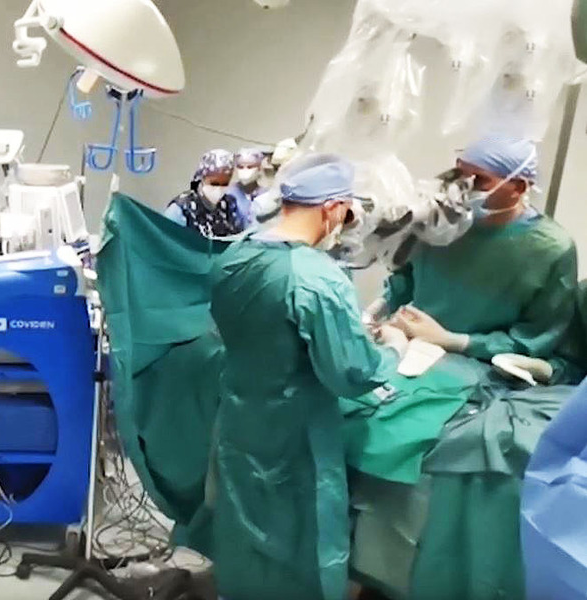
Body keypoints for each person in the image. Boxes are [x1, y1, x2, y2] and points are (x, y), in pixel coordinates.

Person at [206, 156, 404, 600]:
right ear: (332, 208)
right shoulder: (315, 277)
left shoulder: (235, 253)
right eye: (347, 210)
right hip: (296, 437)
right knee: (303, 544)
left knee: (244, 530)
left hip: (239, 421)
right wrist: (393, 349)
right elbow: (352, 374)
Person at [365, 135, 579, 380]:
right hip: (409, 345)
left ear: (518, 187)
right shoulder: (442, 222)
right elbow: (407, 278)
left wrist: (456, 341)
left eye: (480, 180)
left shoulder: (551, 250)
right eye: (459, 175)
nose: (462, 188)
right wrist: (374, 312)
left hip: (478, 367)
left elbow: (535, 338)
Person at [164, 149, 245, 238]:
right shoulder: (181, 209)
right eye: (213, 182)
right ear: (202, 178)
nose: (218, 188)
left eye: (224, 182)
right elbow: (165, 241)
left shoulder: (230, 206)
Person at [228, 148, 268, 229]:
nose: (244, 170)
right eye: (240, 167)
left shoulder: (266, 195)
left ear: (259, 168)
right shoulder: (228, 194)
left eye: (250, 167)